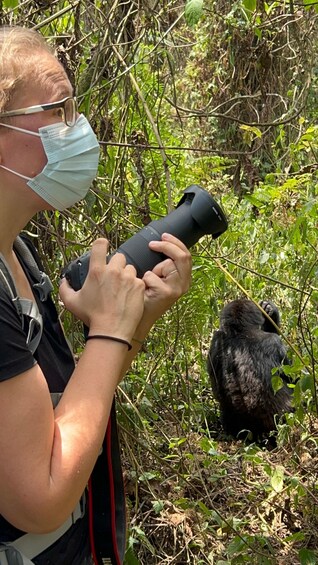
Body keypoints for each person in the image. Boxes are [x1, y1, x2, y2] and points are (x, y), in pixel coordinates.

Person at [0, 25, 192, 564]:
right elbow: (38, 500)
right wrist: (108, 331)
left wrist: (133, 323)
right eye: (57, 109)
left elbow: (64, 415)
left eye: (74, 106)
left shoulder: (17, 254)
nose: (78, 127)